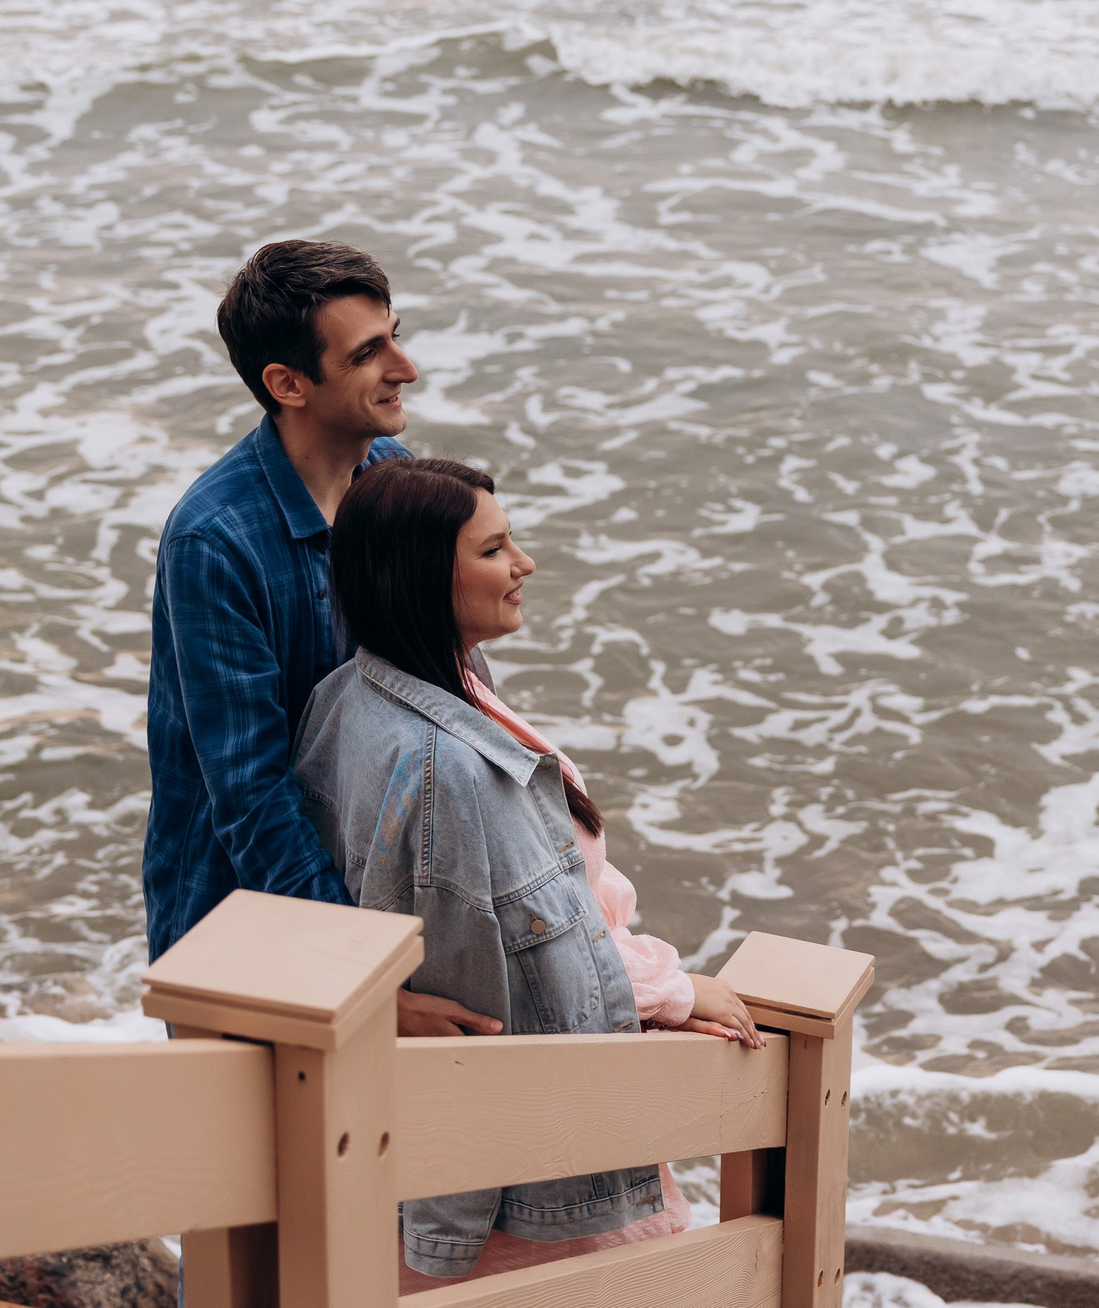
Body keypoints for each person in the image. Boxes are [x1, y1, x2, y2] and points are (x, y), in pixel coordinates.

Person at [296, 457, 762, 1290]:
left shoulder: (356, 697)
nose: (524, 564)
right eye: (494, 548)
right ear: (421, 577)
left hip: (459, 1156)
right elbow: (524, 952)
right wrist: (675, 994)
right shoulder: (443, 764)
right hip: (523, 1179)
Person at [141, 239, 498, 1039]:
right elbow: (250, 794)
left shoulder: (393, 478)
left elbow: (450, 692)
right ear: (287, 383)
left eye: (396, 335)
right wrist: (367, 980)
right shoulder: (215, 540)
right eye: (369, 352)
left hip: (379, 906)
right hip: (241, 938)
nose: (405, 367)